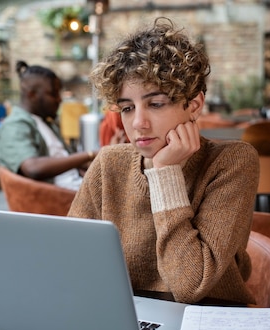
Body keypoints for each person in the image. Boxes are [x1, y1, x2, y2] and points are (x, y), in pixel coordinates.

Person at [68, 18, 260, 305]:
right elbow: (70, 263)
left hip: (209, 319)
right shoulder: (109, 163)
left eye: (156, 104)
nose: (138, 123)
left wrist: (166, 173)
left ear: (193, 105)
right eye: (127, 108)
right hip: (126, 315)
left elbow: (189, 286)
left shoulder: (232, 162)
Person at [0, 61, 97, 190]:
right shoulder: (14, 125)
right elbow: (33, 168)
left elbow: (70, 162)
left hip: (77, 190)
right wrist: (90, 154)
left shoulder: (46, 123)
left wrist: (106, 158)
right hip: (59, 200)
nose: (59, 99)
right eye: (53, 94)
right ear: (31, 94)